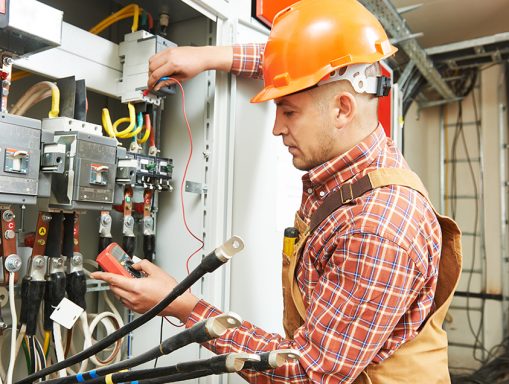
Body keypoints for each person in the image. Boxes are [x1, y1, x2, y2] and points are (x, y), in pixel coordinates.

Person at [92, 0, 462, 382]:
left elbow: (306, 373)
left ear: (342, 109)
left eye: (288, 112)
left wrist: (186, 307)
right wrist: (209, 55)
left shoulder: (377, 227)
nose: (277, 128)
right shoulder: (358, 157)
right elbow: (299, 69)